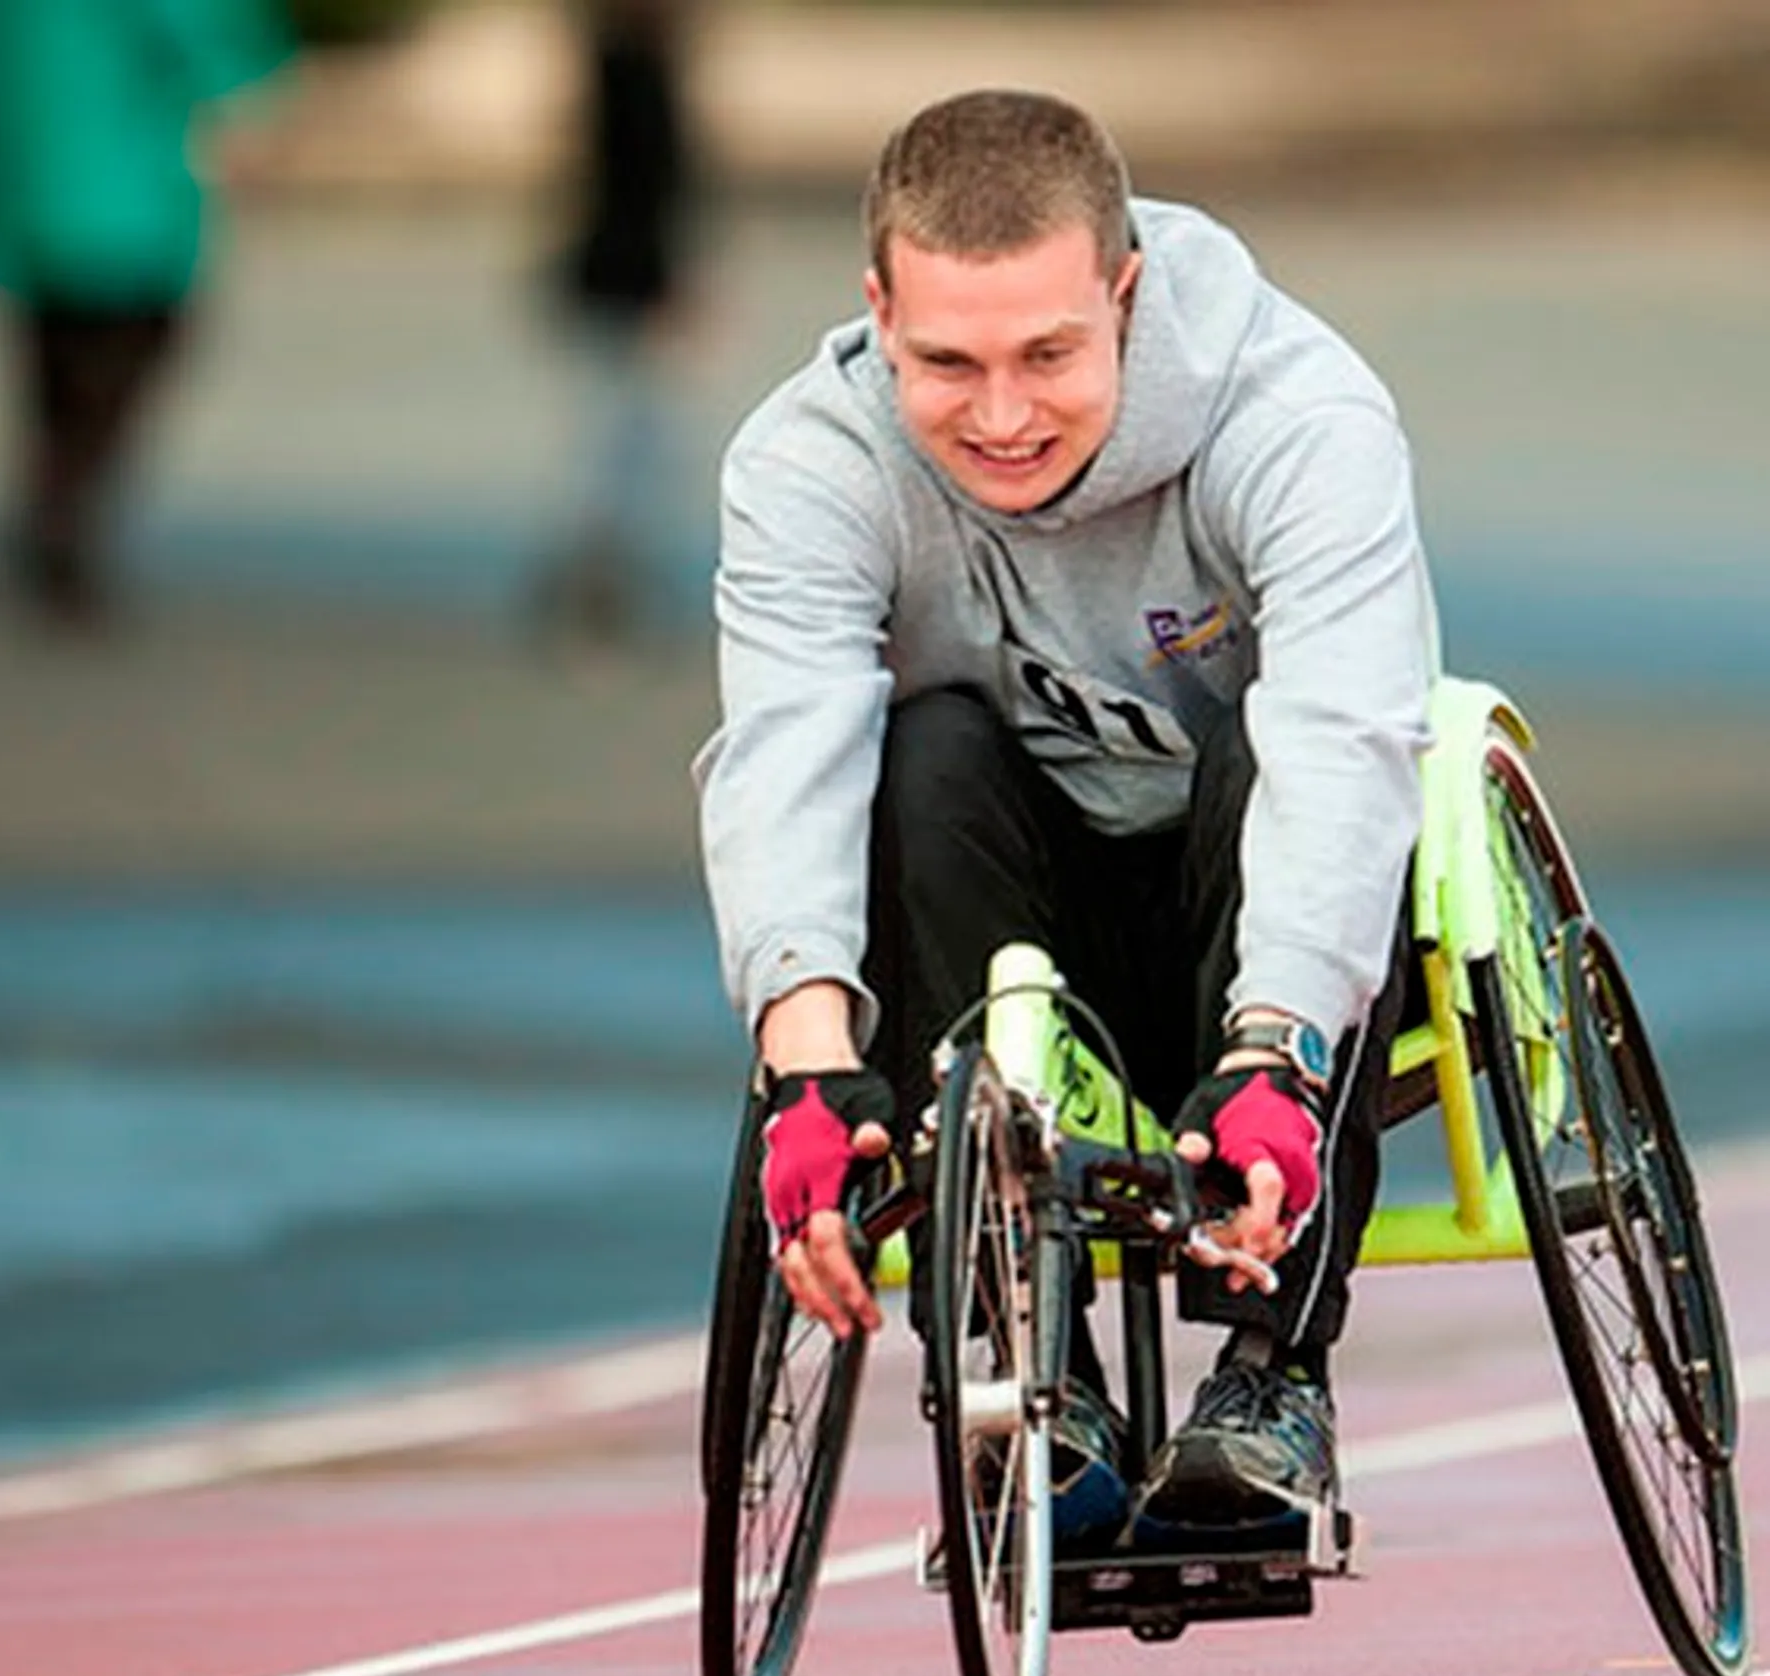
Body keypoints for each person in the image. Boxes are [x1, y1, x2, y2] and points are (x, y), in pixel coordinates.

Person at [695, 90, 1435, 1547]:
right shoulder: (807, 466)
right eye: (946, 364)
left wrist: (1277, 1045)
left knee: (1264, 749)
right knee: (928, 753)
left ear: (1126, 292)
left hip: (1269, 914)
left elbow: (1349, 742)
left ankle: (1272, 1374)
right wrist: (803, 1069)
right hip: (1012, 935)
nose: (1003, 415)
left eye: (1049, 354)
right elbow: (784, 752)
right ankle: (1034, 1384)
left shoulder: (1299, 418)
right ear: (877, 313)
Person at [0, 0, 291, 625]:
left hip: (11, 183)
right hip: (122, 192)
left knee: (51, 357)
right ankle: (65, 511)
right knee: (122, 355)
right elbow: (215, 44)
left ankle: (52, 505)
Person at [538, 0, 699, 642]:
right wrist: (666, 283)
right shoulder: (638, 74)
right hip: (628, 278)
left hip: (608, 275)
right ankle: (602, 578)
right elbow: (645, 192)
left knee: (615, 435)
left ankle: (600, 574)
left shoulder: (612, 67)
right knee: (631, 438)